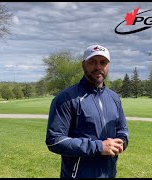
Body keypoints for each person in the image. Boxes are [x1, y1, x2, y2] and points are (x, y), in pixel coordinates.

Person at [45, 44, 129, 178]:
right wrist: (99, 147)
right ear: (83, 65)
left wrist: (121, 142)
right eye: (92, 62)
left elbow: (123, 130)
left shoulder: (114, 98)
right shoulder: (66, 98)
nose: (98, 67)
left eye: (103, 62)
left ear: (108, 65)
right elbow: (55, 140)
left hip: (109, 174)